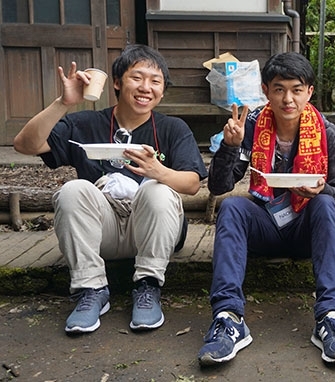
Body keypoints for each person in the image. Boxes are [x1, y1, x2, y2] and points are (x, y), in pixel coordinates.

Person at [12, 44, 208, 334]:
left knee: (158, 188)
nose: (146, 88)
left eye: (155, 81)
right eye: (136, 78)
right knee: (73, 189)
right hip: (102, 231)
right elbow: (24, 145)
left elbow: (192, 183)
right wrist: (63, 104)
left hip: (153, 231)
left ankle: (148, 286)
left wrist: (158, 171)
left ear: (163, 91)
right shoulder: (85, 123)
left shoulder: (173, 128)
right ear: (117, 82)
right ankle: (90, 291)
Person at [197, 52, 335, 366]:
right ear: (266, 90)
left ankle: (331, 318)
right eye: (279, 89)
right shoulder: (252, 127)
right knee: (231, 207)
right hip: (265, 224)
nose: (288, 99)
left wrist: (321, 189)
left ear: (309, 92)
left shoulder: (327, 132)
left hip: (306, 230)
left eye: (297, 89)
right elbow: (219, 186)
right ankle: (229, 318)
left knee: (324, 203)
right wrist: (230, 146)